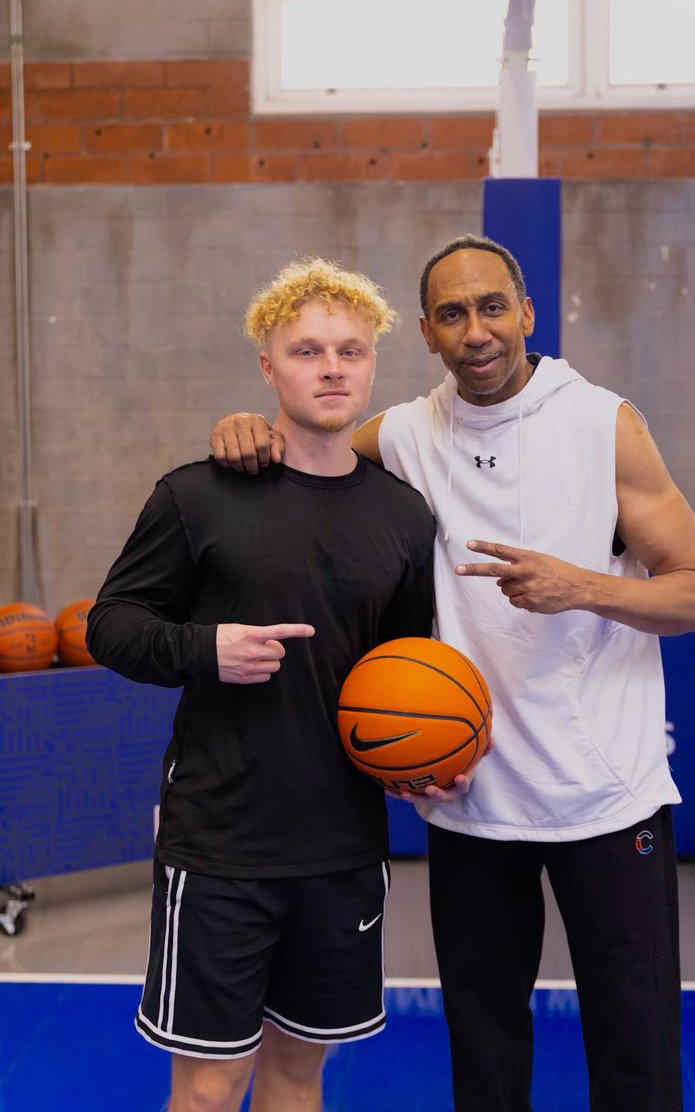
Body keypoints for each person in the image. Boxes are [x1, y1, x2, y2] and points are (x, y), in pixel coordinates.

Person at [209, 234, 695, 1112]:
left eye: (492, 307)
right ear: (426, 332)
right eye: (452, 314)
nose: (475, 330)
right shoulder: (409, 431)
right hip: (472, 796)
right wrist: (247, 427)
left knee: (635, 1052)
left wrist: (582, 586)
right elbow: (315, 446)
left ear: (526, 314)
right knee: (484, 1055)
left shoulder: (604, 423)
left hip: (607, 797)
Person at [86, 258, 435, 1112]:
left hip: (343, 849)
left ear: (373, 364)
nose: (331, 367)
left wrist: (423, 754)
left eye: (350, 350)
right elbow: (111, 626)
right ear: (268, 365)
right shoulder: (197, 497)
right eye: (308, 349)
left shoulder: (402, 515)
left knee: (297, 1075)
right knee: (209, 1089)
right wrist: (206, 649)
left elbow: (406, 671)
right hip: (221, 846)